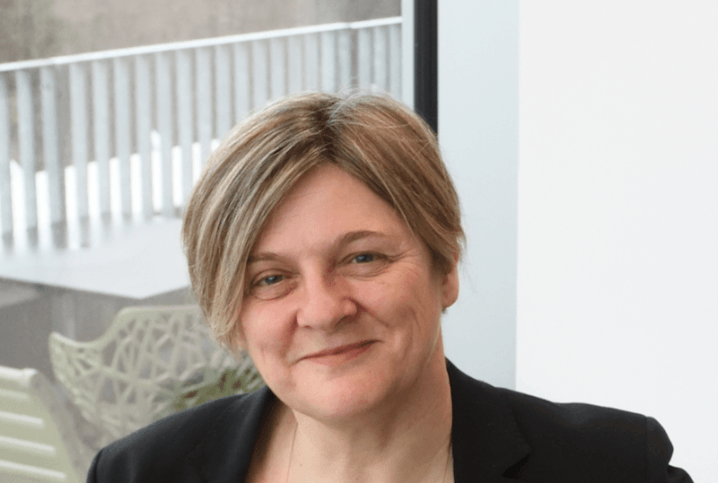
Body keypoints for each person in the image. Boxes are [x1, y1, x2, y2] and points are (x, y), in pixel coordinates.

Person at [86, 92, 692, 483]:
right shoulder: (138, 474)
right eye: (270, 279)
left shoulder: (611, 468)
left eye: (363, 257)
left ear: (446, 265)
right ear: (232, 312)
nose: (323, 310)